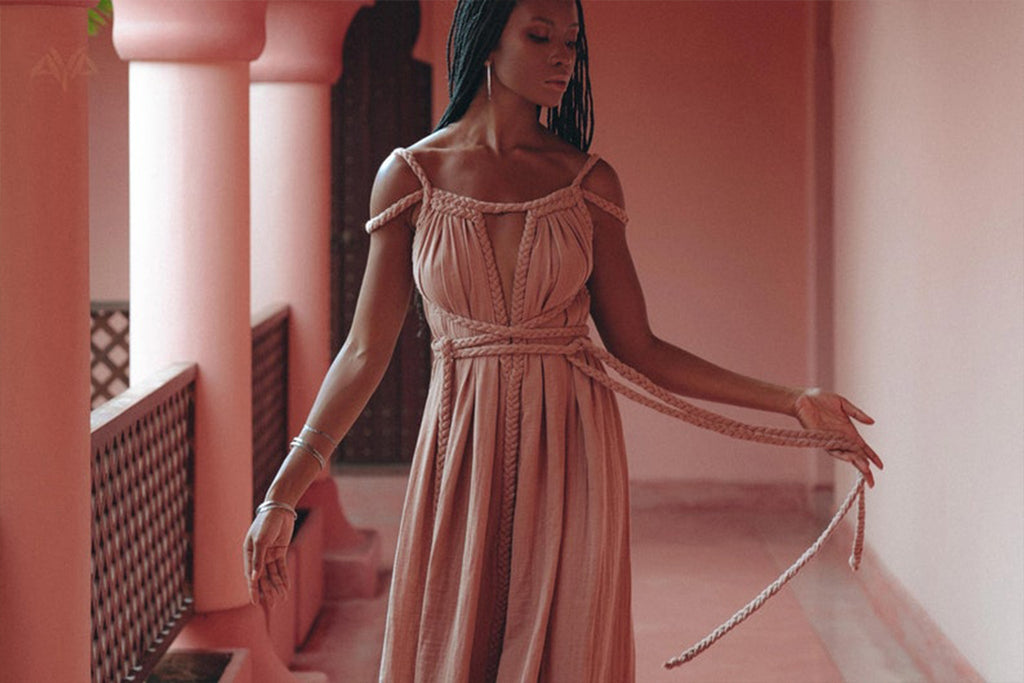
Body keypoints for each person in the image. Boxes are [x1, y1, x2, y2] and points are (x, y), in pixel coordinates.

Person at [243, 0, 884, 680]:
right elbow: (364, 353)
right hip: (460, 451)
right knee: (452, 645)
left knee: (567, 651)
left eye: (571, 42)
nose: (561, 56)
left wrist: (794, 402)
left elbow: (641, 347)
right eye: (539, 35)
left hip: (573, 450)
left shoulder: (587, 183)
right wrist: (284, 493)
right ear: (486, 42)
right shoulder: (411, 177)